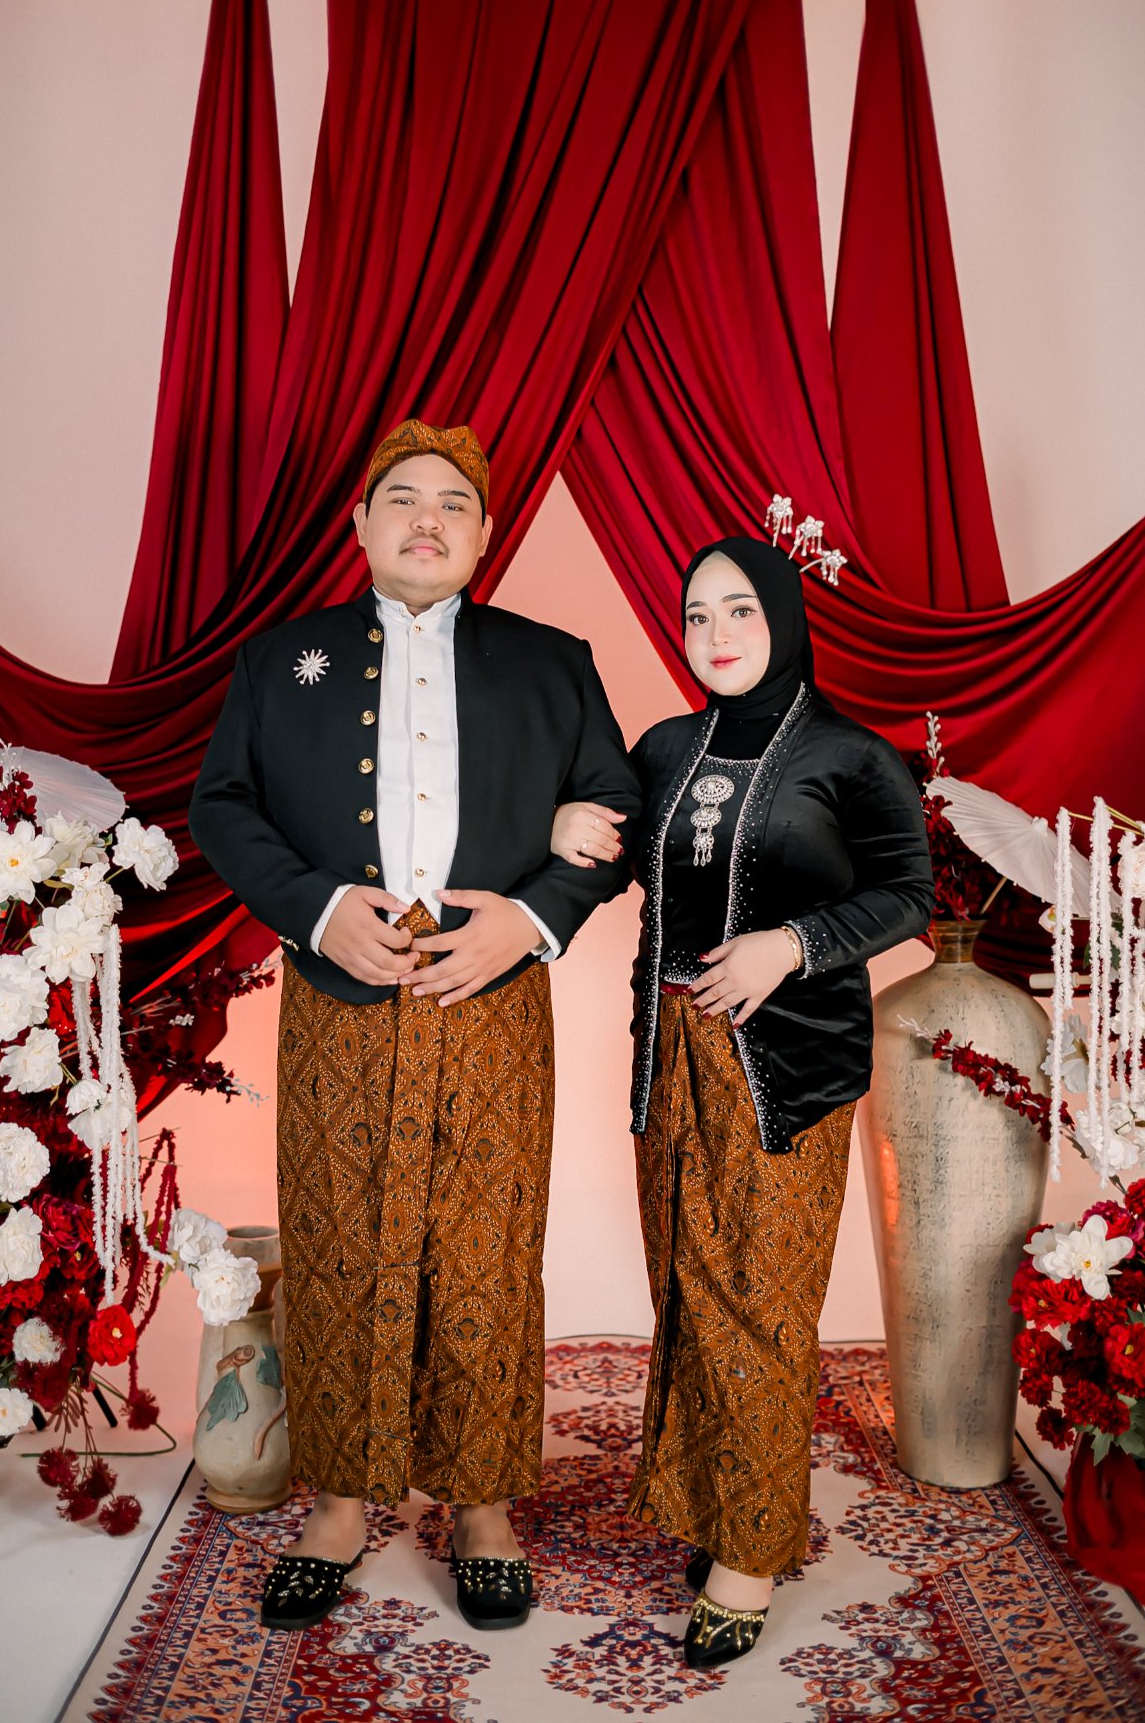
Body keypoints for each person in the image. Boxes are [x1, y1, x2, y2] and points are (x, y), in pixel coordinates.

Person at [190, 418, 640, 1633]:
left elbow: (613, 807)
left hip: (490, 1000)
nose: (427, 519)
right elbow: (222, 804)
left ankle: (483, 1508)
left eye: (454, 503)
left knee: (487, 1246)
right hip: (340, 995)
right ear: (360, 523)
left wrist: (530, 923)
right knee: (336, 1244)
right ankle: (341, 1504)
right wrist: (317, 910)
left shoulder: (552, 661)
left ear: (485, 534)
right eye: (403, 498)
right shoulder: (281, 659)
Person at [552, 537, 932, 1669]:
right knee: (688, 1289)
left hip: (787, 1068)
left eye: (740, 611)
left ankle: (753, 1551)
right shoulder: (665, 749)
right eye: (696, 615)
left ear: (782, 618)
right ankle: (715, 1505)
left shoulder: (850, 755)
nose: (715, 635)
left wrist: (792, 945)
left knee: (760, 1303)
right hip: (668, 1058)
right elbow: (611, 861)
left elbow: (906, 894)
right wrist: (564, 829)